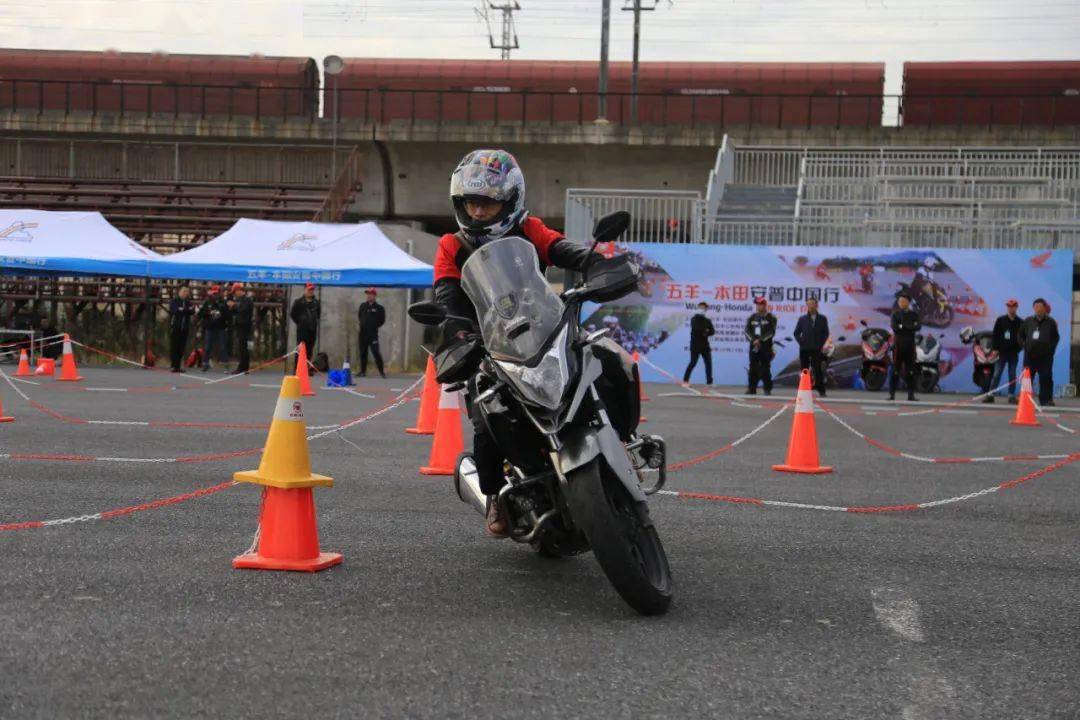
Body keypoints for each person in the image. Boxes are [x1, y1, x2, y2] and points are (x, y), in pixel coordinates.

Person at [432, 148, 594, 539]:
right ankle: (494, 495)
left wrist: (594, 261)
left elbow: (559, 247)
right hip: (489, 343)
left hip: (543, 328)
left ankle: (623, 440)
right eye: (471, 203)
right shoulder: (452, 244)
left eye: (487, 203)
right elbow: (446, 294)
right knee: (485, 410)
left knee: (602, 357)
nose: (477, 212)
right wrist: (458, 333)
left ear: (510, 201)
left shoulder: (529, 228)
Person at [1018, 298, 1060, 407]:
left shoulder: (1051, 322)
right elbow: (1020, 335)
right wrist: (1024, 346)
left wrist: (1051, 351)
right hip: (1030, 356)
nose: (1038, 309)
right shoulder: (1028, 321)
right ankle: (1025, 400)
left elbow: (1055, 338)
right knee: (1027, 379)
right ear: (1033, 308)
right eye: (1036, 307)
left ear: (1045, 308)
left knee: (1045, 378)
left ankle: (1045, 400)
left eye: (1040, 306)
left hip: (1045, 357)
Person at [987, 298, 1022, 404]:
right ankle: (990, 395)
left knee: (1012, 375)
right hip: (1001, 353)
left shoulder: (1020, 322)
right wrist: (995, 349)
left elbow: (1022, 338)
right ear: (1007, 307)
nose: (1011, 308)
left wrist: (1018, 349)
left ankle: (1011, 396)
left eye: (1013, 306)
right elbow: (995, 335)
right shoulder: (1000, 320)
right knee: (997, 374)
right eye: (1009, 306)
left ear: (1016, 307)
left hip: (1013, 354)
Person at [794, 297, 830, 396]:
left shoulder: (822, 318)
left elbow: (826, 333)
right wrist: (801, 342)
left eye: (812, 304)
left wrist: (820, 343)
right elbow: (796, 333)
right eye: (809, 304)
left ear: (816, 305)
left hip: (817, 349)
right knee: (804, 370)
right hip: (804, 349)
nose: (811, 306)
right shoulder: (802, 319)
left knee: (817, 369)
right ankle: (804, 390)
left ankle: (821, 390)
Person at [889, 292, 921, 401]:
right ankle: (892, 394)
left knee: (910, 371)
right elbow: (895, 327)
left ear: (908, 302)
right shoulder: (895, 314)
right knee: (895, 370)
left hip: (910, 345)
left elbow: (918, 327)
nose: (901, 303)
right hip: (898, 346)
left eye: (904, 301)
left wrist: (903, 326)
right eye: (900, 301)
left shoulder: (914, 314)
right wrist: (909, 326)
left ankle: (911, 395)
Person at [744, 297, 776, 395]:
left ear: (765, 305)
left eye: (760, 305)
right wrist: (753, 340)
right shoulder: (752, 317)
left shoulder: (771, 317)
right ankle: (752, 388)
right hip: (754, 346)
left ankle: (767, 388)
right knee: (752, 367)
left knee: (765, 367)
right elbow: (747, 331)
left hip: (765, 346)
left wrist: (760, 340)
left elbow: (771, 332)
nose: (758, 306)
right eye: (757, 305)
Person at [198, 285, 231, 372]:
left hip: (221, 327)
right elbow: (201, 313)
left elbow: (228, 316)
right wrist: (209, 313)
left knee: (223, 346)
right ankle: (205, 364)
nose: (215, 295)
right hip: (210, 327)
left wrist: (220, 314)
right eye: (214, 294)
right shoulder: (207, 302)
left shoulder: (223, 303)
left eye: (216, 293)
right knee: (207, 346)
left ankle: (225, 365)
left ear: (219, 293)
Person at [683, 301, 715, 385]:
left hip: (705, 345)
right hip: (695, 345)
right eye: (700, 308)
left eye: (704, 308)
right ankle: (685, 380)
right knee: (693, 363)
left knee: (708, 363)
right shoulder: (694, 319)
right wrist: (705, 330)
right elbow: (698, 329)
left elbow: (712, 331)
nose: (702, 309)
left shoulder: (707, 320)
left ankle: (709, 382)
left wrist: (706, 332)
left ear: (706, 309)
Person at [357, 287, 386, 378]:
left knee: (376, 352)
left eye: (371, 294)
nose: (369, 296)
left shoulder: (379, 308)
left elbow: (382, 320)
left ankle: (381, 372)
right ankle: (363, 372)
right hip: (363, 334)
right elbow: (359, 316)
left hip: (373, 334)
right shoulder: (363, 306)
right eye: (368, 294)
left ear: (374, 295)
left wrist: (374, 326)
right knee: (363, 353)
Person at [290, 282, 321, 369]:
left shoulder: (316, 303)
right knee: (300, 350)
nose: (311, 291)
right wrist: (300, 322)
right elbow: (293, 314)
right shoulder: (298, 302)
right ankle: (297, 369)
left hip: (312, 330)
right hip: (302, 331)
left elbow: (318, 315)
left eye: (312, 290)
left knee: (309, 350)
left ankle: (306, 369)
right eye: (309, 290)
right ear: (305, 290)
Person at [167, 286, 196, 373]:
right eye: (184, 291)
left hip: (185, 328)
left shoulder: (188, 302)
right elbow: (175, 310)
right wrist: (185, 310)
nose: (185, 293)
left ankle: (178, 365)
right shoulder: (174, 301)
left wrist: (183, 309)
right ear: (180, 292)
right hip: (176, 327)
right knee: (174, 346)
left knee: (182, 347)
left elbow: (192, 311)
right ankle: (173, 365)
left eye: (187, 292)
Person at [231, 283, 254, 374]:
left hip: (244, 326)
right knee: (241, 347)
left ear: (239, 291)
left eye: (235, 292)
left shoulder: (247, 300)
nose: (234, 294)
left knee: (243, 347)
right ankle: (243, 366)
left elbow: (243, 310)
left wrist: (234, 306)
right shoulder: (239, 300)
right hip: (240, 325)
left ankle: (243, 367)